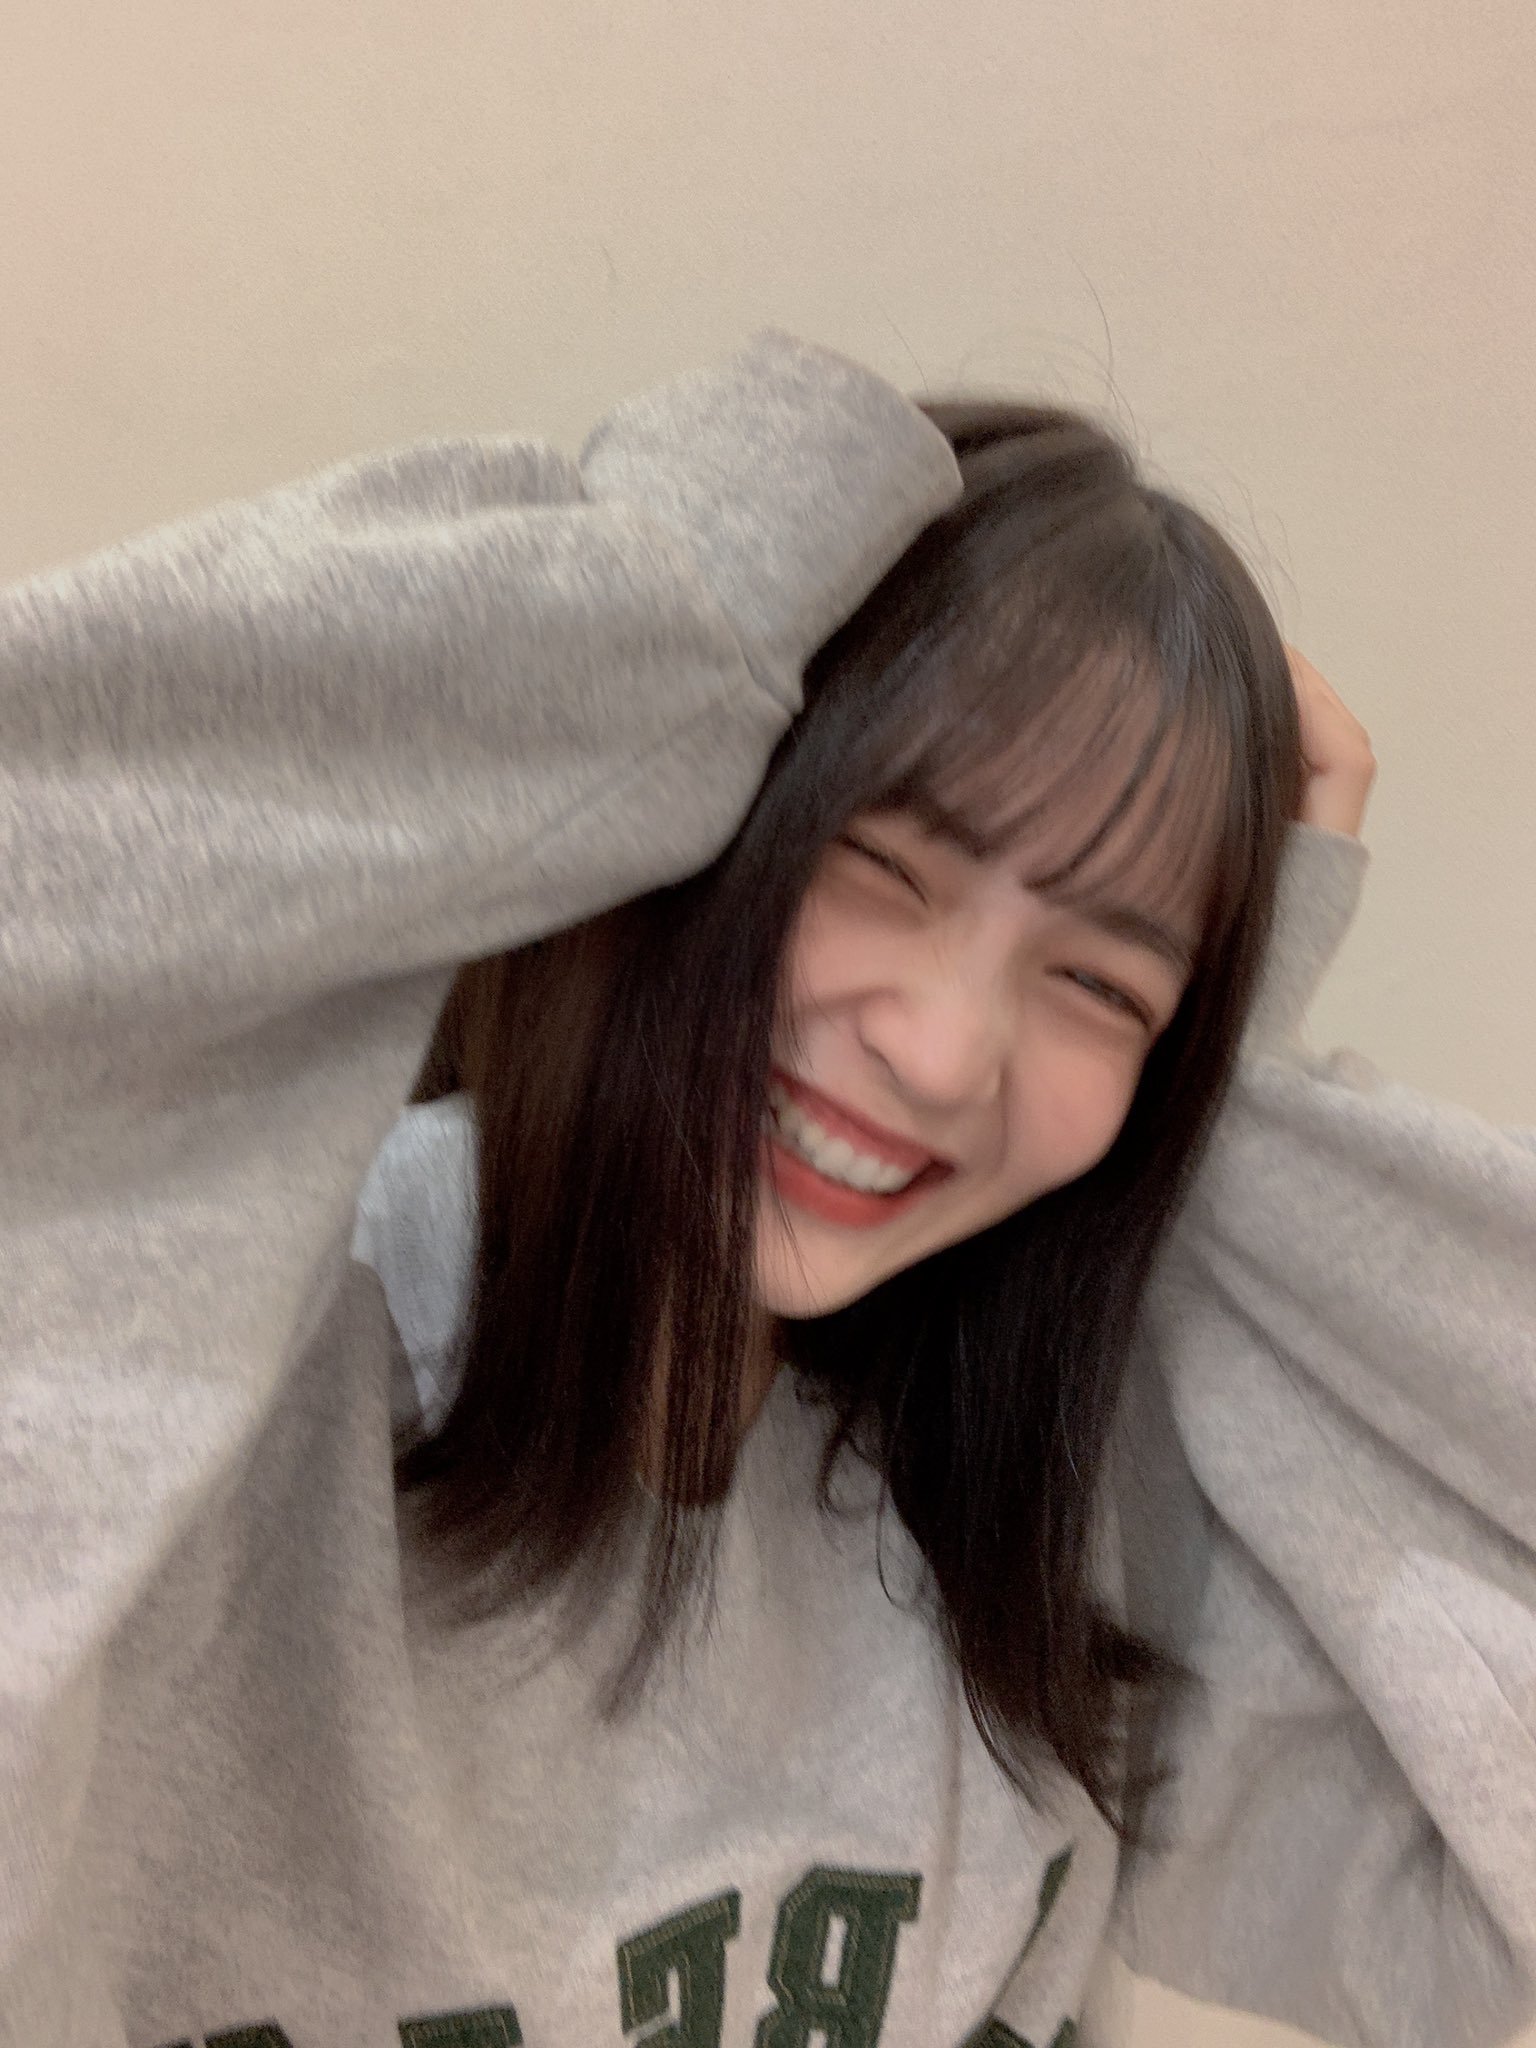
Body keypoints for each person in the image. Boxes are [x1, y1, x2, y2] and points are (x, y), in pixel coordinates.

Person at [0, 333, 1530, 2048]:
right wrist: (656, 601)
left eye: (1103, 985)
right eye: (877, 862)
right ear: (698, 803)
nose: (944, 1053)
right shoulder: (240, 1386)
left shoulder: (1035, 1497)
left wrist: (1238, 1082)